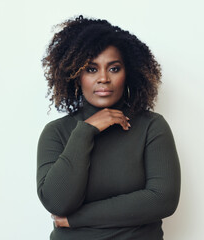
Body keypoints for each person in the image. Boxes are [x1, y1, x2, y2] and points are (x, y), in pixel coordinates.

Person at [37, 15, 181, 240]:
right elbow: (57, 202)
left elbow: (163, 200)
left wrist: (77, 219)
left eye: (113, 69)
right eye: (91, 69)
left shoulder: (151, 127)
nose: (103, 78)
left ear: (128, 73)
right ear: (76, 75)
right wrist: (85, 131)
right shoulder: (57, 132)